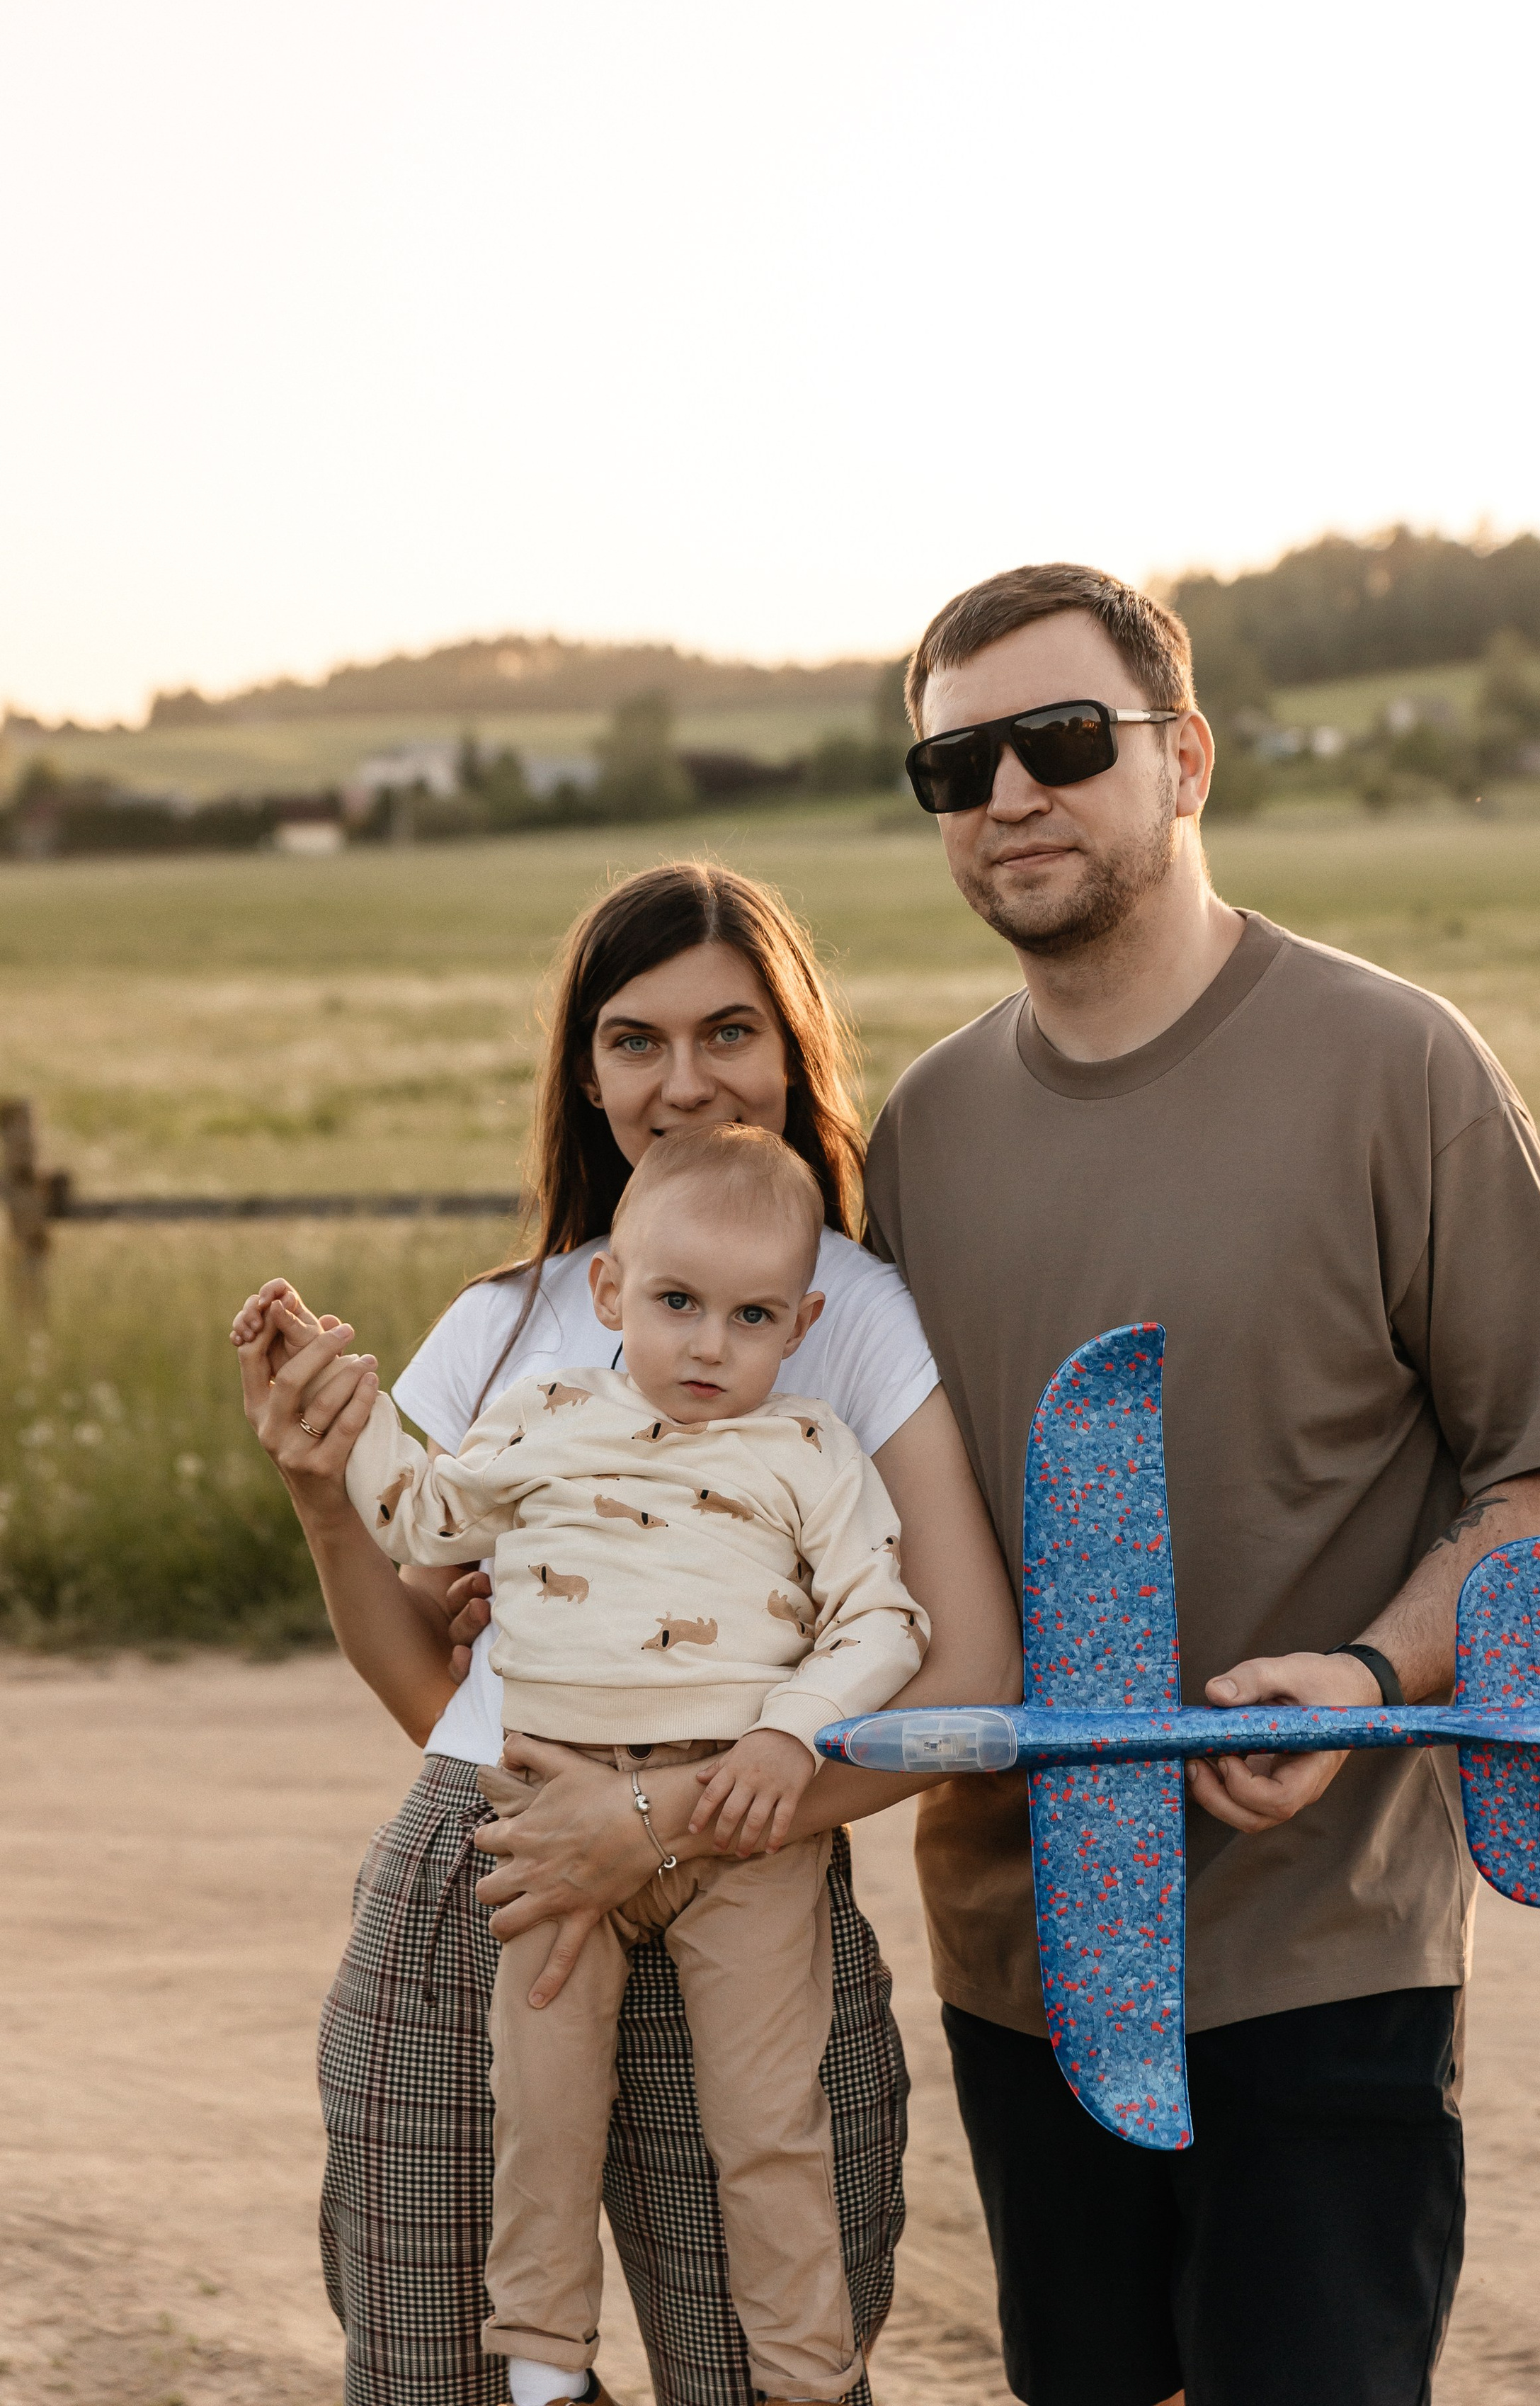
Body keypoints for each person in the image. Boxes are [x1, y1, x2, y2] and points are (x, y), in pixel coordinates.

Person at [862, 564, 1540, 2406]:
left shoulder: (1399, 1068)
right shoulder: (922, 1137)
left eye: (1060, 742)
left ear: (1185, 757)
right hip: (1022, 1963)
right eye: (955, 768)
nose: (1009, 798)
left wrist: (1372, 1674)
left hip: (1327, 1955)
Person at [234, 862, 1021, 2406]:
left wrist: (661, 1819)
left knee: (758, 2369)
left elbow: (971, 1679)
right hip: (489, 1868)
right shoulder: (511, 1319)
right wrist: (325, 1493)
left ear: (792, 1054)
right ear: (583, 1074)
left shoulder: (839, 1315)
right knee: (438, 2370)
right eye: (632, 1040)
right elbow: (424, 1686)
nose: (682, 1081)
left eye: (727, 1031)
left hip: (744, 1862)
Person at [293, 1121, 928, 2406]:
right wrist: (342, 1420)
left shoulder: (809, 1452)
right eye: (678, 1303)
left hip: (744, 1825)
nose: (708, 1344)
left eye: (751, 1317)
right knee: (544, 2096)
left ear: (800, 1324)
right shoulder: (542, 1419)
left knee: (768, 2121)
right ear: (609, 1295)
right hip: (544, 1805)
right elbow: (419, 1515)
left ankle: (802, 2373)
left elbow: (887, 1619)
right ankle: (541, 2357)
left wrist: (784, 1730)